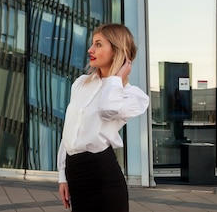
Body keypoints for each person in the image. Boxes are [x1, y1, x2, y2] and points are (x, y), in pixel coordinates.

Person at [57, 23, 149, 212]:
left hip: (103, 177)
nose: (90, 49)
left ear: (117, 51)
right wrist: (62, 176)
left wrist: (116, 78)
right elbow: (68, 132)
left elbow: (107, 109)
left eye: (98, 44)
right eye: (92, 44)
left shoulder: (134, 96)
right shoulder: (81, 83)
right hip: (76, 174)